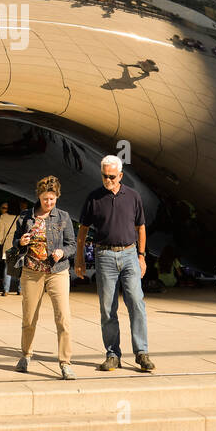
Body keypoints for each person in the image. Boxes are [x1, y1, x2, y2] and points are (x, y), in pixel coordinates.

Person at [75, 155, 155, 372]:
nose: (107, 180)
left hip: (130, 255)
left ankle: (141, 353)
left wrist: (141, 255)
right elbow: (82, 231)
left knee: (136, 303)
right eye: (104, 176)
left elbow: (141, 228)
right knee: (107, 308)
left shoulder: (133, 196)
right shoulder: (94, 198)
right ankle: (113, 354)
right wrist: (79, 258)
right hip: (104, 256)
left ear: (120, 175)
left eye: (112, 176)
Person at [11, 177, 76, 379]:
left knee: (63, 318)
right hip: (31, 272)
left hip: (57, 271)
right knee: (29, 318)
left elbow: (72, 245)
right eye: (46, 199)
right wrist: (21, 241)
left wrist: (62, 252)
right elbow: (15, 243)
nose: (49, 203)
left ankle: (65, 362)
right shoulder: (25, 217)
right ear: (38, 197)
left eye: (53, 199)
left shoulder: (63, 217)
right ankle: (26, 355)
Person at [0, 200, 20, 296]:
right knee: (19, 266)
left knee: (7, 267)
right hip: (19, 243)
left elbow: (1, 231)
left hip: (7, 243)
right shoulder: (20, 217)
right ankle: (20, 289)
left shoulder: (3, 217)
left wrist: (1, 241)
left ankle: (6, 290)